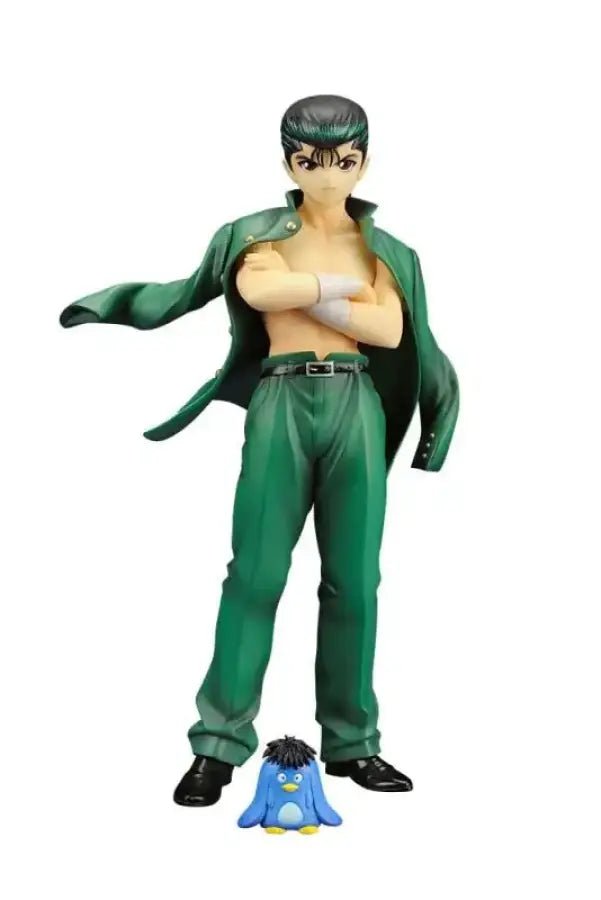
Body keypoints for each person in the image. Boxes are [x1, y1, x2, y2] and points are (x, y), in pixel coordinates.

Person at [60, 94, 459, 808]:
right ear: (288, 163)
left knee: (354, 582)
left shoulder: (391, 252)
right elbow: (252, 290)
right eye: (311, 160)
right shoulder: (254, 234)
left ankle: (353, 743)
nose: (329, 175)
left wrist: (302, 293)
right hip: (280, 402)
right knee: (255, 573)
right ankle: (216, 745)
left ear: (364, 161)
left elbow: (394, 333)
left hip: (356, 404)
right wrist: (339, 295)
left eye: (344, 160)